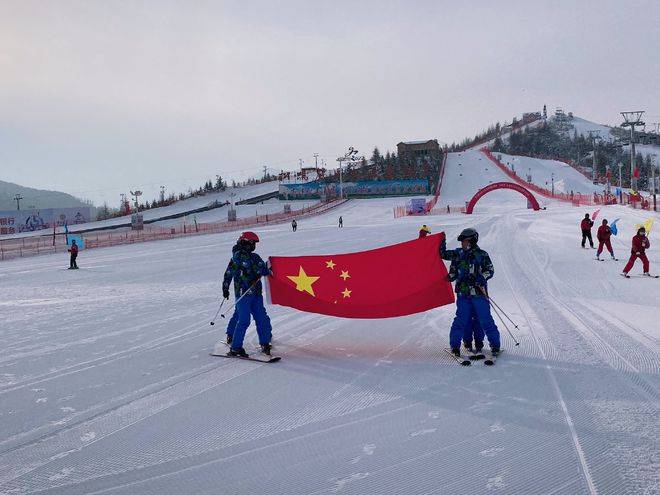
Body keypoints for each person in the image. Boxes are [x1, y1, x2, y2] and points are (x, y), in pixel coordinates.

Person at [440, 228, 500, 356]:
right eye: (461, 241)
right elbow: (443, 255)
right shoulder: (458, 253)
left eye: (464, 241)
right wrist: (441, 241)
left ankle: (490, 344)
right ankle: (459, 345)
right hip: (463, 294)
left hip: (479, 293)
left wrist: (481, 277)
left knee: (483, 319)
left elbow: (490, 270)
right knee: (462, 319)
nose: (462, 243)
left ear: (472, 241)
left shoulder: (482, 255)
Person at [222, 231, 273, 357]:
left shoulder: (255, 257)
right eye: (253, 243)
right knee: (243, 319)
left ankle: (265, 342)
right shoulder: (236, 258)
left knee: (261, 317)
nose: (254, 246)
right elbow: (229, 273)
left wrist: (267, 269)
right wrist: (225, 288)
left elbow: (264, 270)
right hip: (243, 294)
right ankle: (235, 347)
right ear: (246, 243)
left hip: (255, 294)